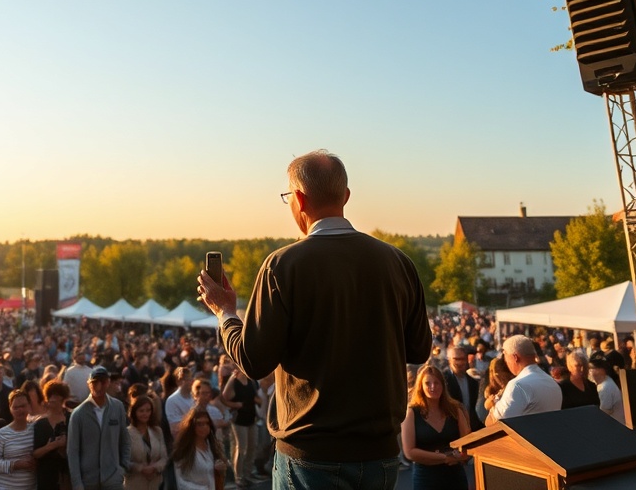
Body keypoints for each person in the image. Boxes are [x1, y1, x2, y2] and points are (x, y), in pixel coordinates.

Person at [198, 149, 432, 489]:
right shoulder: (398, 262)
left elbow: (253, 361)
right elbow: (419, 349)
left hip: (310, 455)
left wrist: (225, 312)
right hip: (379, 453)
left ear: (299, 199)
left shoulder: (283, 265)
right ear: (346, 197)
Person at [401, 366, 469, 490]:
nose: (433, 387)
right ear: (420, 386)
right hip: (426, 478)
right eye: (427, 383)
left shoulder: (455, 410)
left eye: (437, 383)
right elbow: (409, 452)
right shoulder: (412, 413)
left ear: (443, 385)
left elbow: (468, 443)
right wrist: (444, 457)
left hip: (455, 477)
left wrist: (462, 456)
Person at [66, 366, 131, 490]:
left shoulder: (117, 407)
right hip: (88, 481)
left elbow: (125, 440)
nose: (99, 386)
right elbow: (72, 451)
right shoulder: (78, 414)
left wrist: (123, 467)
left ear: (108, 383)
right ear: (89, 384)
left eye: (103, 382)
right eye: (95, 382)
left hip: (113, 480)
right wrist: (77, 483)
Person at [485, 336, 562, 424]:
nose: (506, 362)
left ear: (515, 357)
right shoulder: (552, 383)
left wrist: (492, 404)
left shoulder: (517, 385)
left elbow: (494, 424)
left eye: (506, 357)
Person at [0, 389, 36, 490]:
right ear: (10, 409)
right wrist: (16, 465)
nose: (20, 410)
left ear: (29, 406)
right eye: (16, 407)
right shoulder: (3, 433)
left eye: (23, 406)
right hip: (6, 486)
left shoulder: (36, 429)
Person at [221, 369, 259, 490]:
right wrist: (233, 377)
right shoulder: (234, 381)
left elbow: (255, 395)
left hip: (251, 418)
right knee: (241, 448)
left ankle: (247, 474)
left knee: (252, 446)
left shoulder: (251, 380)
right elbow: (225, 397)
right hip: (239, 420)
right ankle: (239, 477)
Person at [171, 408, 226, 490]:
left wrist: (221, 469)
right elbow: (179, 481)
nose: (204, 427)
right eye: (199, 424)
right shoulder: (184, 449)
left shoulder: (213, 446)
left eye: (207, 423)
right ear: (191, 426)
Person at [32, 381, 69, 490]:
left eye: (56, 396)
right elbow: (35, 453)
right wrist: (53, 445)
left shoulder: (72, 419)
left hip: (67, 474)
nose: (52, 399)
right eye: (50, 395)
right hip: (46, 476)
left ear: (63, 398)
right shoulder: (40, 424)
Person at [125, 395, 167, 490]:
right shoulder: (126, 433)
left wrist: (155, 467)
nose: (145, 414)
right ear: (134, 412)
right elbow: (123, 460)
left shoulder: (157, 431)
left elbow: (164, 458)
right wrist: (140, 468)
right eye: (141, 411)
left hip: (155, 484)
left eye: (148, 410)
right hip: (134, 484)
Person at [442, 347, 482, 432]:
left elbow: (472, 409)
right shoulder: (443, 380)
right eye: (456, 359)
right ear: (449, 360)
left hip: (470, 428)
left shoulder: (473, 383)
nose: (459, 362)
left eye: (462, 359)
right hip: (450, 429)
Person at [589, 358, 625, 424]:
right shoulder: (606, 381)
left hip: (615, 427)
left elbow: (604, 413)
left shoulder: (606, 387)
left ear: (602, 370)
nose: (589, 372)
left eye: (591, 369)